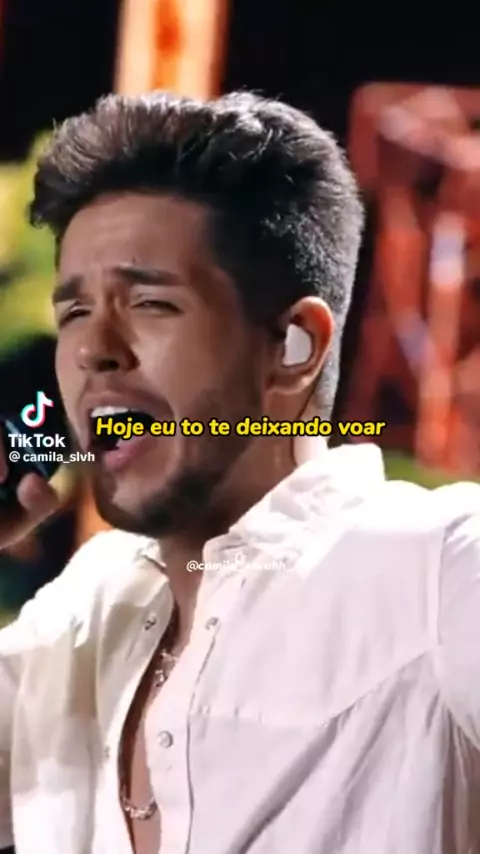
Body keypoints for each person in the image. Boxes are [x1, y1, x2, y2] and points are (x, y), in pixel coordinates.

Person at [0, 90, 478, 854]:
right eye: (74, 313)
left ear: (294, 346)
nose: (93, 351)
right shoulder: (81, 616)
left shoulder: (438, 567)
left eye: (150, 303)